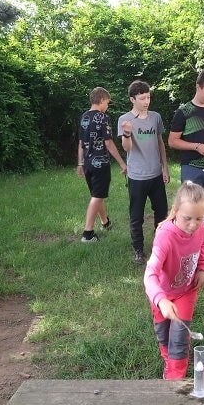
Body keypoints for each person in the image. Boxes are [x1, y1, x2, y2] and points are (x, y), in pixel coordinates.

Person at [143, 181, 204, 379]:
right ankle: (168, 360)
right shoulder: (165, 237)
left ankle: (174, 379)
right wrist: (161, 300)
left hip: (186, 291)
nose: (193, 224)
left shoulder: (201, 228)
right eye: (187, 218)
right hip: (162, 293)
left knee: (179, 337)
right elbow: (150, 274)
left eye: (199, 218)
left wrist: (202, 267)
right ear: (175, 211)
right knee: (163, 333)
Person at [118, 80, 170, 266]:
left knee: (162, 214)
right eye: (142, 98)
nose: (146, 101)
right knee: (136, 216)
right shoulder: (125, 120)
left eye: (148, 97)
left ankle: (160, 246)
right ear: (133, 99)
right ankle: (138, 250)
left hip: (156, 174)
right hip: (137, 176)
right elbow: (127, 148)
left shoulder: (155, 117)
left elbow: (160, 143)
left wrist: (165, 168)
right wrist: (126, 133)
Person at [77, 87, 127, 243]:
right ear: (102, 100)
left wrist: (80, 163)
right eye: (107, 103)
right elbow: (109, 143)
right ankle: (88, 234)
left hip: (87, 163)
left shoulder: (83, 117)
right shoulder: (103, 118)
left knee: (96, 195)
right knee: (97, 196)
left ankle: (105, 222)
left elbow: (81, 143)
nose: (107, 106)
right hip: (101, 163)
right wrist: (122, 163)